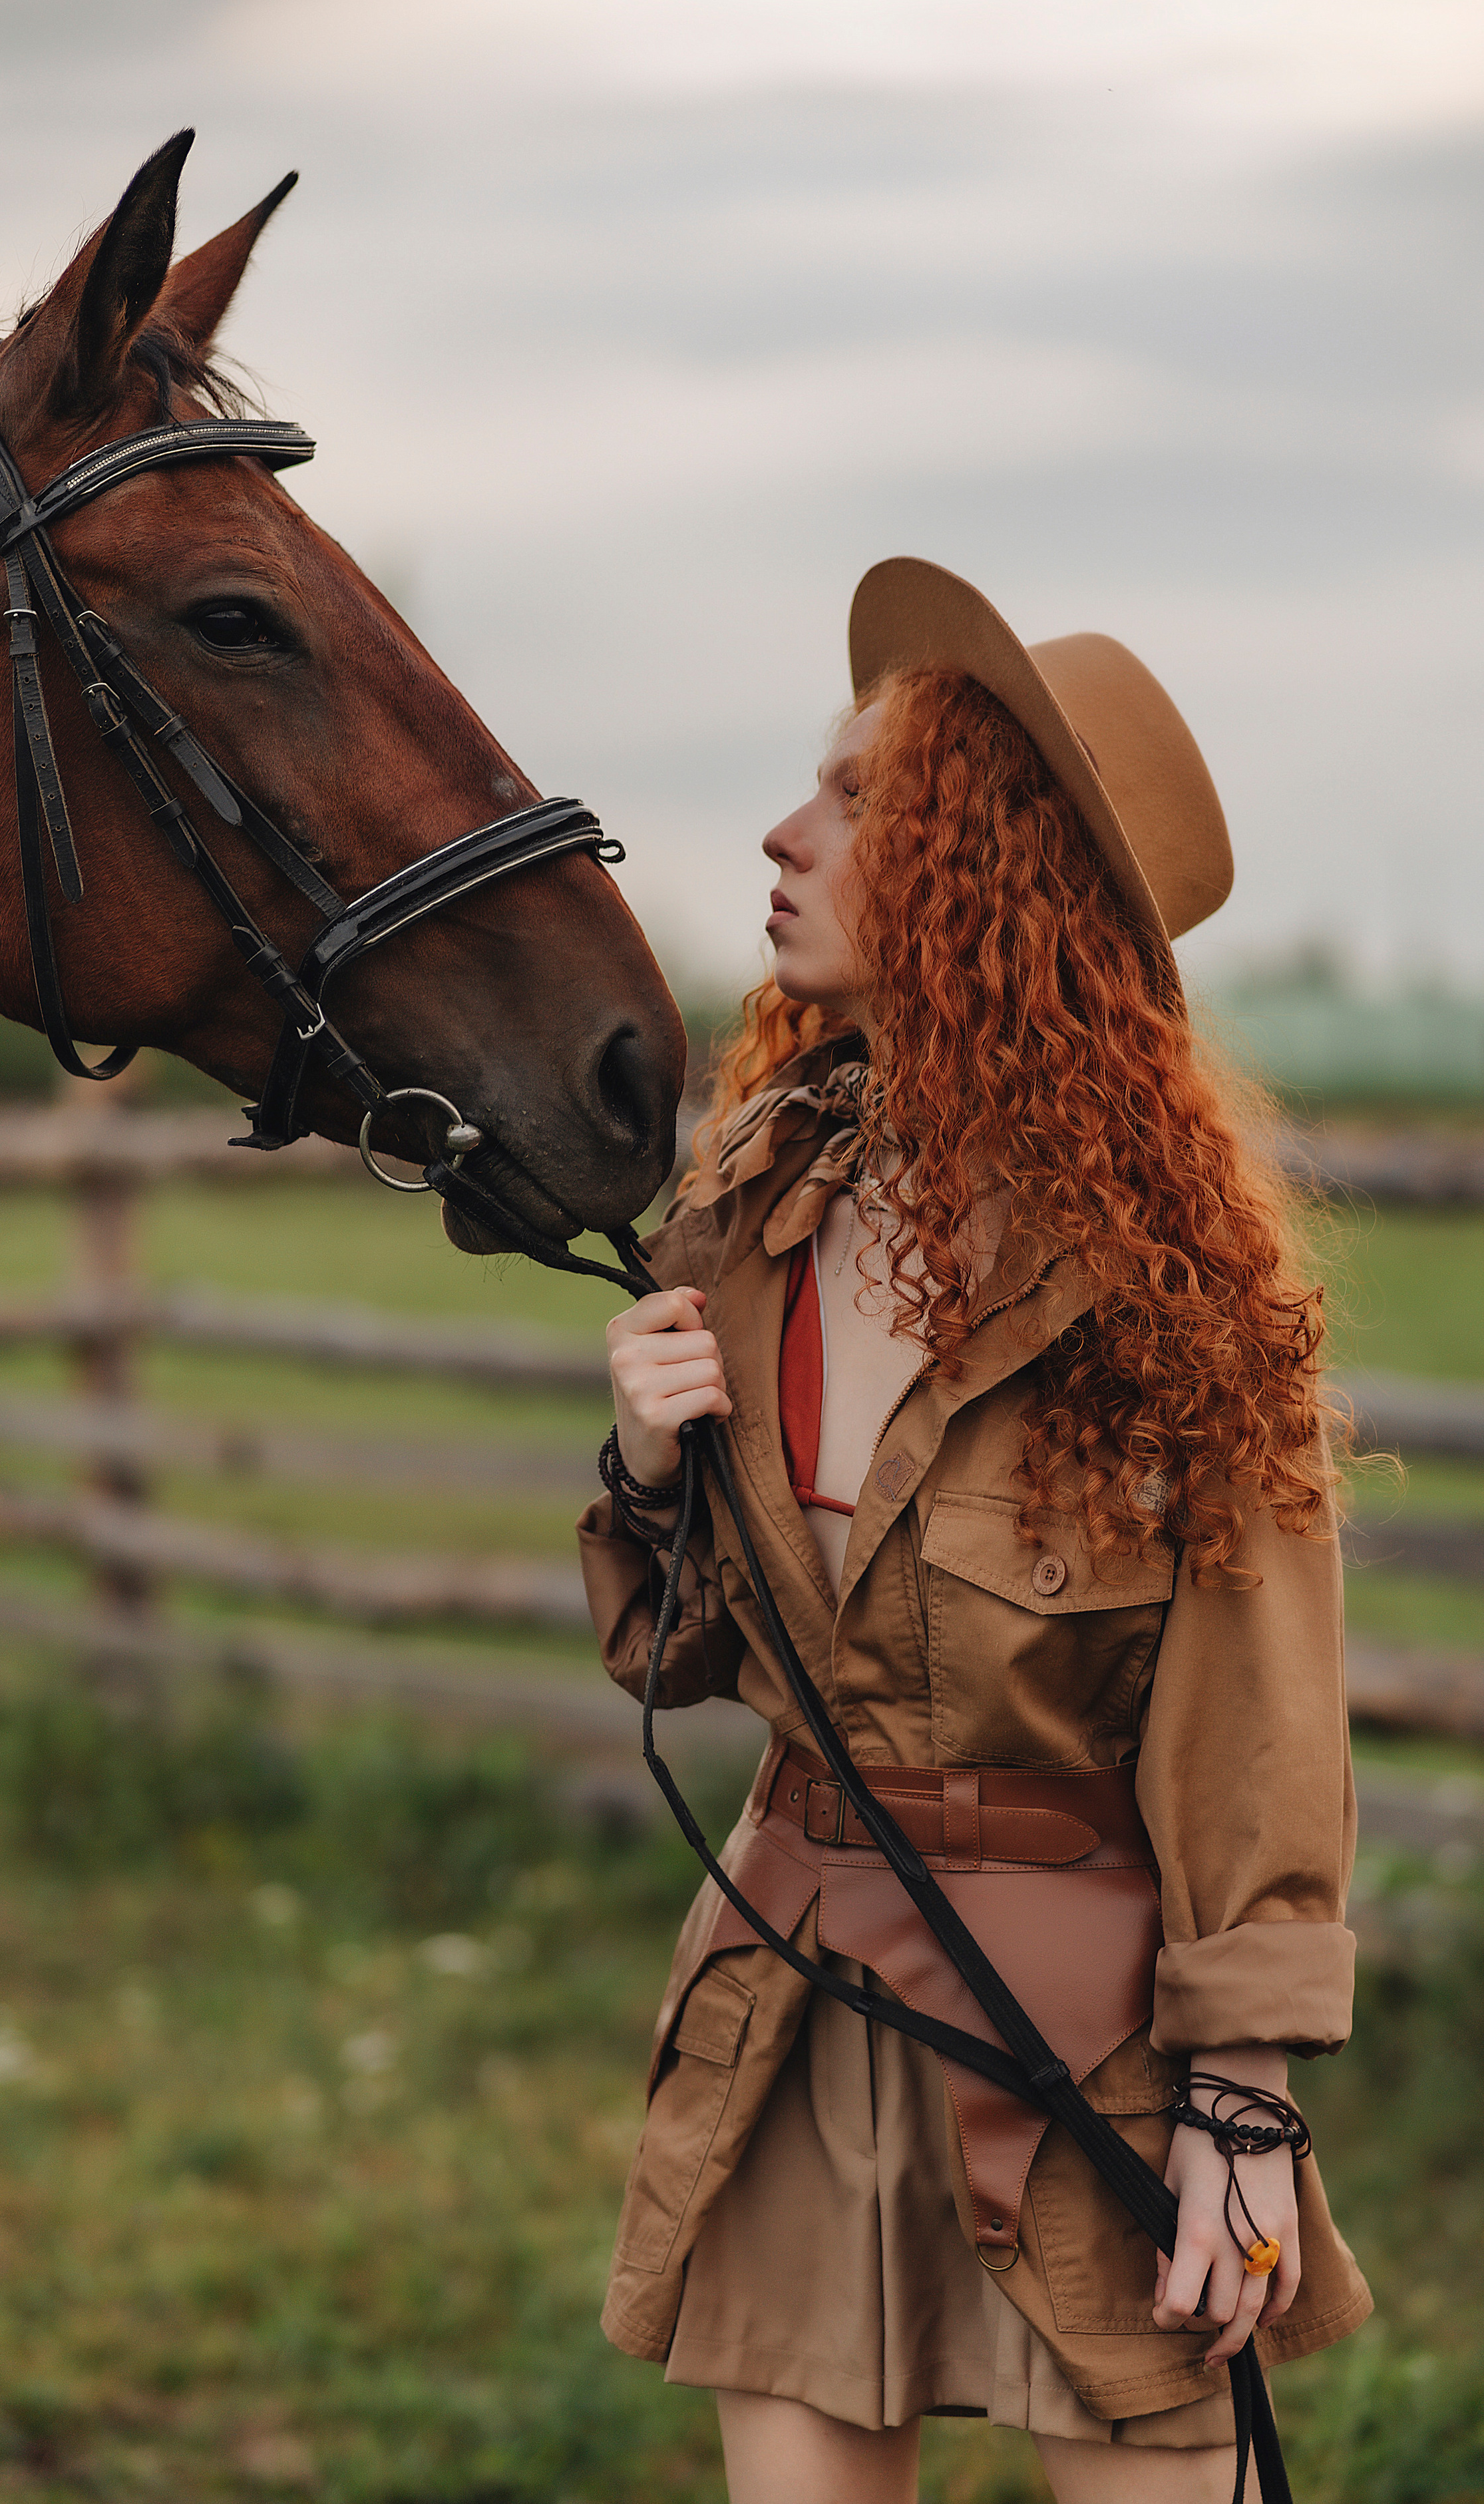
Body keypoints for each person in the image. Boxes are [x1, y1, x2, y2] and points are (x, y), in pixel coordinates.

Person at [577, 558, 1371, 2503]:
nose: (781, 834)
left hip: (1077, 2029)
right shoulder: (745, 1214)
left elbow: (1256, 1714)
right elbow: (675, 1664)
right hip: (790, 1994)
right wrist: (645, 1480)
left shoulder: (1165, 1290)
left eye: (856, 799)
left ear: (985, 874)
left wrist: (1241, 2095)